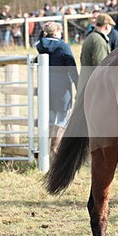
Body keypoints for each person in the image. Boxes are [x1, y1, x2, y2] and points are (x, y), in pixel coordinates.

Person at [35, 21, 79, 157]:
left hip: (47, 85)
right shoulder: (63, 47)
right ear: (57, 32)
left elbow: (40, 39)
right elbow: (71, 68)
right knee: (62, 118)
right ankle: (54, 150)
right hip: (62, 86)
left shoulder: (40, 45)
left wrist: (44, 31)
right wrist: (78, 86)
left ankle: (43, 149)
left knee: (50, 117)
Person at [77, 12, 115, 94]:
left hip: (86, 82)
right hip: (93, 86)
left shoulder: (92, 36)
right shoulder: (99, 41)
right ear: (106, 26)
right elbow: (100, 66)